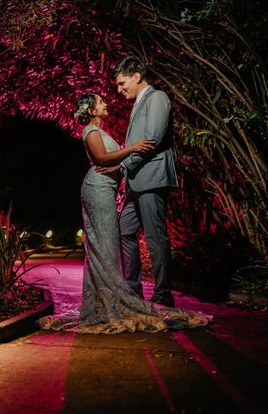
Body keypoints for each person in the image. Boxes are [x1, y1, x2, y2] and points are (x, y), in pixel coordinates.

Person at [38, 93, 210, 333]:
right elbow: (101, 158)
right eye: (100, 102)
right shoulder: (91, 131)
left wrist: (122, 163)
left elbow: (112, 163)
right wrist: (133, 148)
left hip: (106, 190)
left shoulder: (100, 130)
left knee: (108, 246)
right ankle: (107, 300)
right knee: (105, 246)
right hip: (97, 189)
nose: (106, 103)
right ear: (90, 110)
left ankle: (109, 297)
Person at [113, 56, 177, 307]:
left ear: (137, 77)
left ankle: (163, 293)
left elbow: (153, 139)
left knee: (155, 236)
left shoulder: (157, 98)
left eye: (122, 83)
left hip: (152, 178)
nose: (119, 89)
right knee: (124, 229)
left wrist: (123, 166)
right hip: (136, 182)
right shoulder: (138, 103)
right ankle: (132, 290)